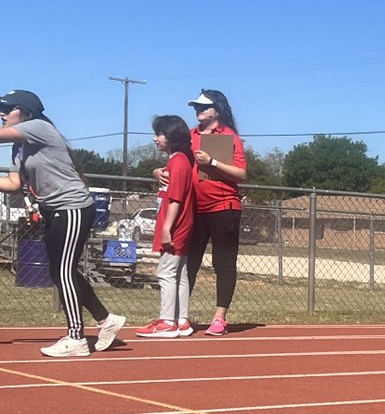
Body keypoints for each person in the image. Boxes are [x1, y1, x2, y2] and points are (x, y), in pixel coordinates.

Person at [0, 90, 126, 358]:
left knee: (63, 272)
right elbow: (13, 184)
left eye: (8, 108)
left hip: (73, 208)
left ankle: (76, 338)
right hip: (54, 211)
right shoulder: (18, 147)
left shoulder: (38, 127)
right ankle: (106, 320)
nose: (2, 113)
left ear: (26, 112)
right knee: (61, 271)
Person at [156, 90, 247, 335]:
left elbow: (241, 173)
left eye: (203, 106)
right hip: (193, 209)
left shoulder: (229, 137)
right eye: (196, 106)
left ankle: (219, 317)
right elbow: (177, 163)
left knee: (223, 263)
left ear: (217, 109)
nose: (198, 110)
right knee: (188, 263)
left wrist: (213, 162)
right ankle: (178, 317)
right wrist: (159, 171)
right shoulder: (189, 136)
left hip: (223, 207)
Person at [135, 116, 197, 338]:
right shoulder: (175, 161)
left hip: (177, 225)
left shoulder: (179, 162)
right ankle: (181, 321)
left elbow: (176, 199)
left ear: (171, 137)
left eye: (159, 134)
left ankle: (167, 322)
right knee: (179, 274)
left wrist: (166, 228)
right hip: (179, 224)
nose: (155, 138)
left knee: (166, 272)